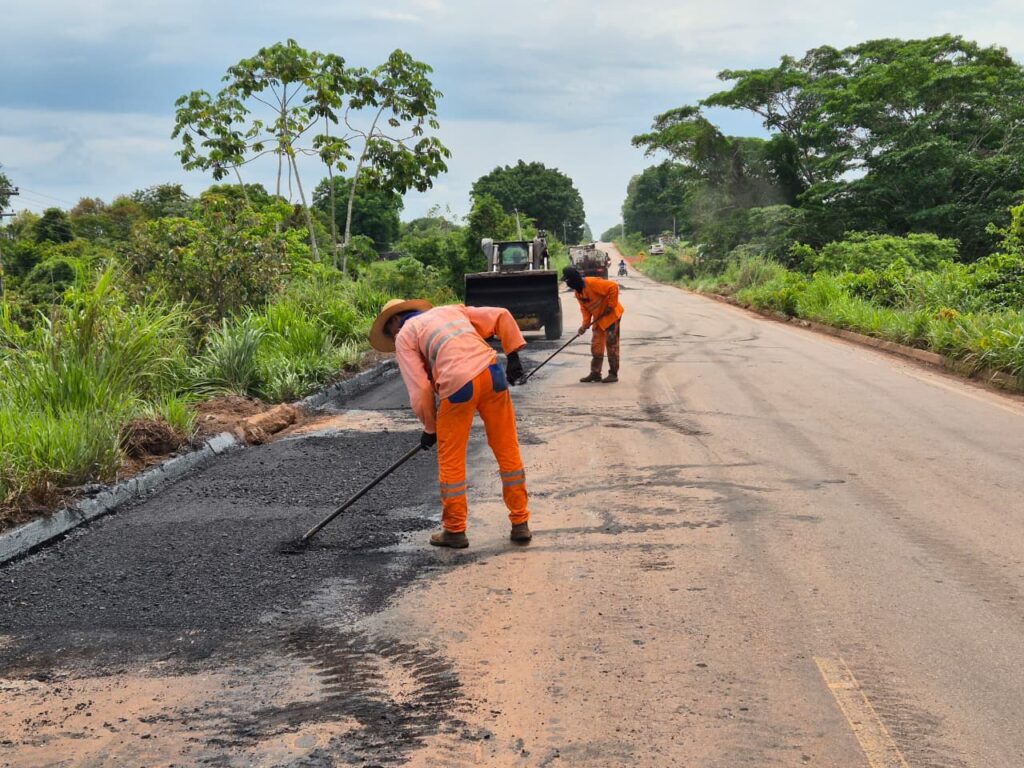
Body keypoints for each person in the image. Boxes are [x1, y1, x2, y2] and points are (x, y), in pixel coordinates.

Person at [369, 299, 532, 549]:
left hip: (458, 385)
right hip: (493, 375)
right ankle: (520, 522)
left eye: (389, 332)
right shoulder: (451, 310)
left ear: (394, 321)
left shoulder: (405, 334)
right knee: (507, 448)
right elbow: (501, 314)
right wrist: (512, 356)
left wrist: (430, 427)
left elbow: (420, 389)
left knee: (452, 459)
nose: (392, 337)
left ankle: (455, 530)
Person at [562, 266, 624, 383]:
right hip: (599, 319)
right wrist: (584, 326)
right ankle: (595, 373)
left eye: (568, 280)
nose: (567, 284)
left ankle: (613, 374)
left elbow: (613, 286)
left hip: (611, 316)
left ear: (574, 279)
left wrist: (611, 305)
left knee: (611, 345)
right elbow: (585, 310)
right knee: (596, 345)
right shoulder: (578, 293)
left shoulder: (592, 283)